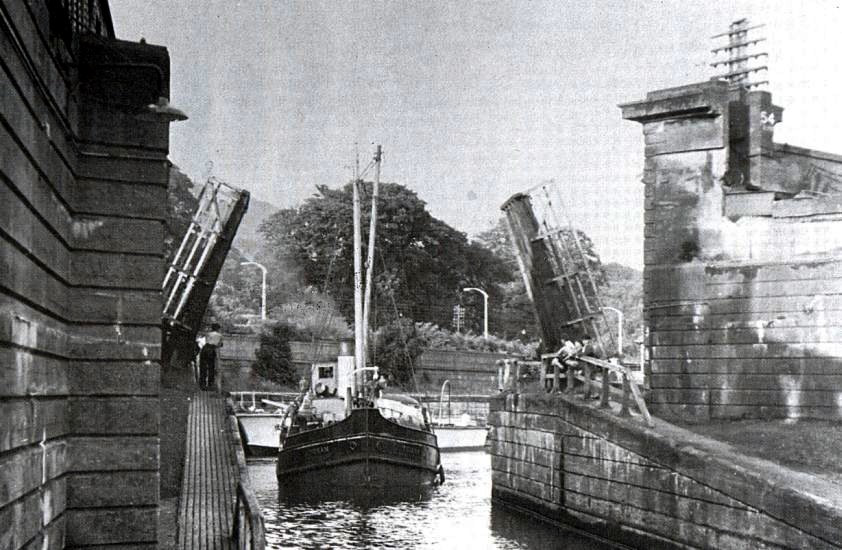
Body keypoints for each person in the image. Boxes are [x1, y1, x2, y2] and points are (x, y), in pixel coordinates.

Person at [199, 323, 223, 390]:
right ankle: (210, 384)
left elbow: (206, 341)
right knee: (211, 368)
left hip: (205, 349)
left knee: (203, 367)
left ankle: (202, 384)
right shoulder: (220, 335)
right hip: (212, 351)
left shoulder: (208, 334)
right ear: (218, 328)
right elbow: (219, 344)